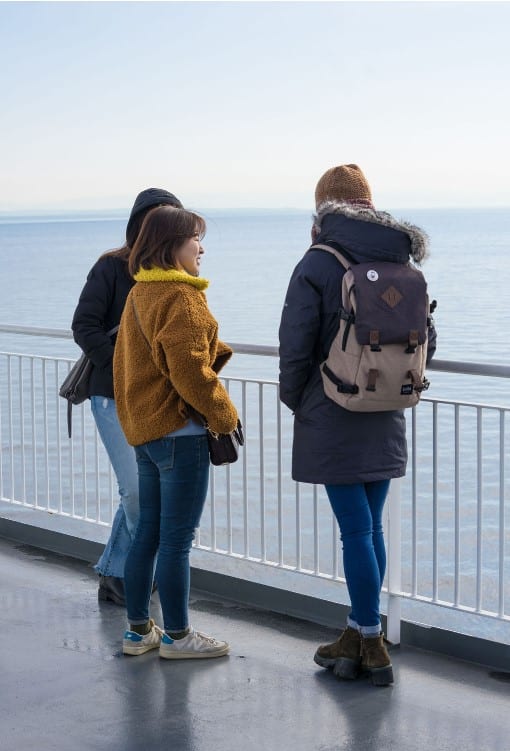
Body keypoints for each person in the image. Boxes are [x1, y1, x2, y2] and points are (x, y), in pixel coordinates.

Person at [278, 164, 437, 686]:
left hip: (332, 409)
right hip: (387, 406)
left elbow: (296, 341)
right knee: (369, 527)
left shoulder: (319, 261)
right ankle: (358, 632)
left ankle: (369, 640)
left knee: (355, 533)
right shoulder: (398, 257)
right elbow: (425, 340)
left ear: (324, 207)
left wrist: (296, 400)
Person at [113, 205, 239, 659]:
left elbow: (132, 362)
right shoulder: (180, 296)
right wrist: (225, 414)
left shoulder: (140, 294)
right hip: (180, 434)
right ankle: (179, 637)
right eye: (194, 240)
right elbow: (190, 371)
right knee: (176, 541)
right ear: (172, 246)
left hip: (147, 433)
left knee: (147, 533)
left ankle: (137, 631)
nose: (201, 248)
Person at [72, 188, 183, 606]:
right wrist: (123, 367)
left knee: (143, 490)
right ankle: (142, 578)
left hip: (156, 400)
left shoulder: (176, 273)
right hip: (113, 396)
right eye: (154, 219)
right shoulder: (111, 268)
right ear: (138, 224)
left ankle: (118, 576)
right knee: (137, 491)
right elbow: (84, 326)